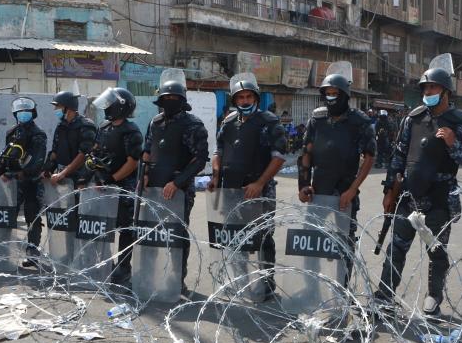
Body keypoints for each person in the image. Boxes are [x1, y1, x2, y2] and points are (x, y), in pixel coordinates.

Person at [376, 55, 462, 316]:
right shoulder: (412, 119)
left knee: (436, 252)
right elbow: (399, 155)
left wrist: (452, 144)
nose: (428, 92)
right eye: (425, 88)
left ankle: (433, 297)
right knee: (396, 249)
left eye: (433, 88)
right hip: (409, 196)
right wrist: (390, 189)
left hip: (438, 199)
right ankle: (384, 296)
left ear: (445, 91)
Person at [210, 73, 287, 295]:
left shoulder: (269, 122)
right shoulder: (228, 122)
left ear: (255, 98)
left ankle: (266, 282)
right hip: (231, 190)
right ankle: (241, 280)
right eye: (240, 98)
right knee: (235, 237)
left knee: (262, 237)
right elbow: (219, 151)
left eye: (248, 97)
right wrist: (216, 176)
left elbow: (279, 156)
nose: (244, 101)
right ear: (235, 101)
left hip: (258, 192)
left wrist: (260, 183)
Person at [298, 65, 375, 278]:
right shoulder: (317, 119)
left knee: (343, 244)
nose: (331, 97)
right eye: (327, 93)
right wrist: (303, 184)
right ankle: (311, 289)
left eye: (335, 93)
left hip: (344, 193)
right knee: (310, 241)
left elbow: (369, 157)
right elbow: (306, 153)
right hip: (319, 190)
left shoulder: (359, 121)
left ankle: (342, 293)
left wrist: (352, 190)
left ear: (345, 95)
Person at [142, 71, 209, 293]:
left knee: (176, 235)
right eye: (165, 99)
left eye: (174, 99)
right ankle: (149, 276)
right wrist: (143, 176)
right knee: (151, 234)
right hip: (153, 188)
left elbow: (199, 160)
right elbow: (147, 151)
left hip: (178, 190)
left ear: (182, 101)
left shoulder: (193, 124)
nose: (169, 103)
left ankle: (177, 280)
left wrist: (177, 183)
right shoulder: (155, 122)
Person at [88, 87, 143, 283]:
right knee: (102, 225)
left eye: (111, 103)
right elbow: (94, 152)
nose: (107, 106)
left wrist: (111, 180)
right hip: (101, 184)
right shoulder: (103, 127)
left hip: (123, 186)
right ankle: (104, 263)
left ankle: (123, 267)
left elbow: (132, 162)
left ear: (121, 107)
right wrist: (97, 176)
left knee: (125, 228)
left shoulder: (131, 131)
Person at [0, 97, 48, 265]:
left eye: (27, 112)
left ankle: (32, 251)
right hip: (11, 182)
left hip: (31, 181)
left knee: (32, 215)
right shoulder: (12, 132)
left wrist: (21, 173)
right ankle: (4, 251)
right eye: (20, 112)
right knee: (8, 215)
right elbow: (6, 155)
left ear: (33, 113)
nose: (23, 115)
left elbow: (37, 160)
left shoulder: (38, 134)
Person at [43, 90, 97, 187]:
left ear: (67, 108)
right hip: (64, 178)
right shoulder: (61, 126)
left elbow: (83, 154)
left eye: (58, 106)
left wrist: (63, 173)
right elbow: (55, 152)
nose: (55, 109)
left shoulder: (86, 126)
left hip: (80, 178)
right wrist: (47, 170)